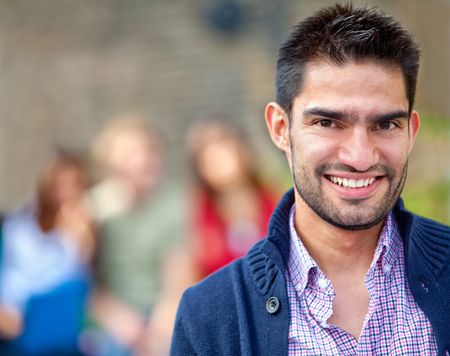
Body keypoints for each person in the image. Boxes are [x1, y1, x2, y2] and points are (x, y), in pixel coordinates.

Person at [171, 4, 450, 355]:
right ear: (280, 128)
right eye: (328, 123)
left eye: (385, 124)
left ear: (410, 132)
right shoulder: (211, 316)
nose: (360, 156)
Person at [88, 115, 190, 355]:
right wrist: (115, 317)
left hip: (160, 312)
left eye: (147, 151)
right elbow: (87, 281)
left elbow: (178, 277)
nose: (142, 160)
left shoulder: (175, 203)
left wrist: (159, 328)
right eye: (130, 154)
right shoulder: (95, 209)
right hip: (114, 315)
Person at [0, 150, 95, 355]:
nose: (66, 193)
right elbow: (16, 270)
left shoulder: (84, 226)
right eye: (60, 186)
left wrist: (79, 235)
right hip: (17, 303)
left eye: (74, 185)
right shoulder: (22, 226)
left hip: (54, 316)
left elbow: (80, 275)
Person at [186, 120, 277, 279]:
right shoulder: (196, 214)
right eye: (205, 147)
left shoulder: (275, 199)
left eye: (223, 141)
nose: (216, 152)